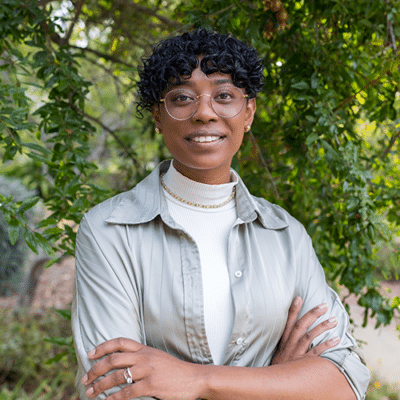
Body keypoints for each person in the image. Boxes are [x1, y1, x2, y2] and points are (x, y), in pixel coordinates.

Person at [72, 28, 370, 400]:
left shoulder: (286, 235)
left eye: (224, 95)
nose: (204, 113)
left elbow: (345, 381)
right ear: (157, 116)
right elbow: (115, 389)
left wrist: (198, 381)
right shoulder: (108, 231)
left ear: (248, 112)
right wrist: (278, 383)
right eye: (182, 97)